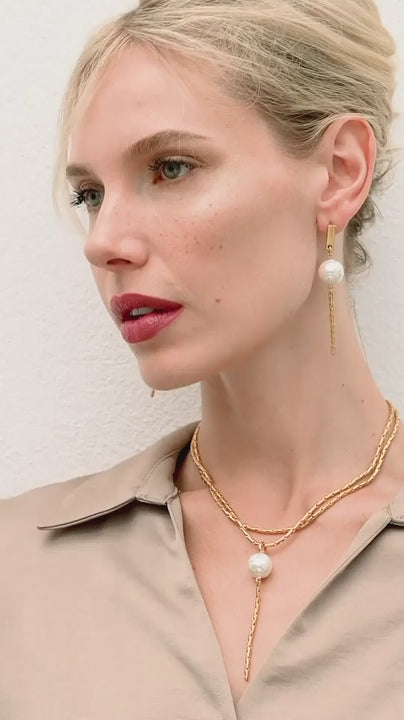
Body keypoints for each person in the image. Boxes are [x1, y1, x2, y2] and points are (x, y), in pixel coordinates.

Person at [2, 0, 403, 717]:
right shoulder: (16, 566)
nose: (102, 241)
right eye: (90, 194)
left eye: (171, 167)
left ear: (340, 172)